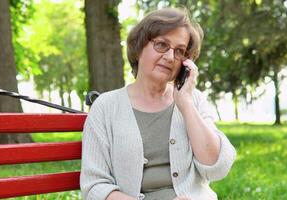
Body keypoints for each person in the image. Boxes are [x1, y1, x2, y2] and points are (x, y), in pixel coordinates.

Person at [80, 7, 236, 200]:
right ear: (138, 48)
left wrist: (185, 103)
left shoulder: (193, 99)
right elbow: (95, 187)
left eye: (179, 51)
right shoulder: (105, 107)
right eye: (162, 45)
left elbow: (217, 167)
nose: (170, 57)